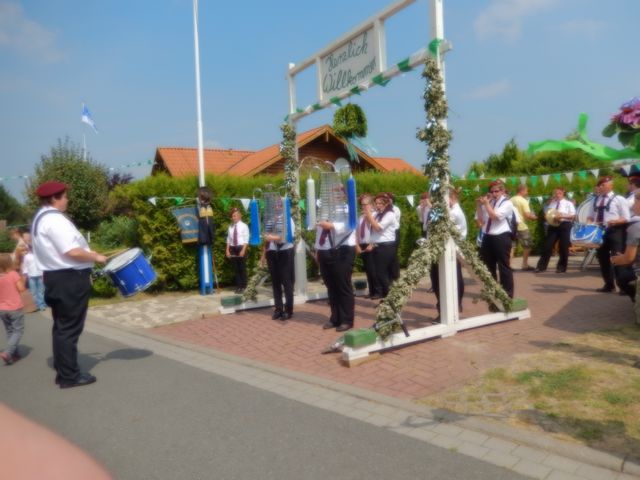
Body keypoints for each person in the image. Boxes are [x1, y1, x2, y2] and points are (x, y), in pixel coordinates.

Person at [31, 181, 107, 388]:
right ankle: (69, 377)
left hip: (56, 278)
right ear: (54, 198)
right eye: (65, 196)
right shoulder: (55, 220)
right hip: (69, 279)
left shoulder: (40, 217)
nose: (67, 200)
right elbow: (72, 251)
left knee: (61, 327)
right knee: (69, 330)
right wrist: (96, 257)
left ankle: (63, 369)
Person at [586, 176, 630, 293]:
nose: (600, 187)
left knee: (618, 258)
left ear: (611, 186)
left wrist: (615, 221)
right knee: (602, 258)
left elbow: (626, 217)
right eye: (599, 185)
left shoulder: (619, 199)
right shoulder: (595, 200)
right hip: (599, 232)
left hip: (615, 231)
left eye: (603, 185)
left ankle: (623, 287)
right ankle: (609, 285)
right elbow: (590, 216)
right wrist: (590, 223)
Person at [430, 188, 467, 317]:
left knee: (449, 280)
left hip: (451, 251)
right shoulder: (448, 211)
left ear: (450, 198)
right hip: (441, 249)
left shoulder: (454, 212)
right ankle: (446, 308)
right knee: (437, 279)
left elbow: (442, 229)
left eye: (441, 199)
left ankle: (450, 309)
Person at [316, 213, 356, 332]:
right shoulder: (323, 211)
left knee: (343, 285)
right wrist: (318, 249)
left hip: (342, 249)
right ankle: (335, 318)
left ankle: (347, 320)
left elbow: (351, 225)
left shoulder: (346, 208)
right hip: (324, 250)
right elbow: (319, 232)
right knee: (331, 286)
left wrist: (332, 226)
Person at [476, 180, 515, 298]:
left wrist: (486, 204)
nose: (494, 194)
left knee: (503, 266)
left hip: (501, 236)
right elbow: (481, 220)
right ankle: (492, 291)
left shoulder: (507, 203)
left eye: (496, 191)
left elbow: (494, 216)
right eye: (492, 191)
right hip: (488, 236)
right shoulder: (490, 202)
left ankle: (507, 294)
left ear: (502, 191)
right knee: (488, 265)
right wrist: (479, 205)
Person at [535, 187, 576, 273]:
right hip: (553, 225)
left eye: (559, 193)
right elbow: (548, 213)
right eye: (555, 193)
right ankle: (541, 267)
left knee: (563, 247)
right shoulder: (552, 203)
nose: (557, 195)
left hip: (564, 224)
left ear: (563, 193)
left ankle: (561, 267)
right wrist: (547, 216)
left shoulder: (568, 203)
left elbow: (573, 216)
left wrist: (562, 216)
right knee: (547, 246)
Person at [262, 216, 295, 321]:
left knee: (287, 282)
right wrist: (263, 254)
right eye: (274, 207)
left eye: (278, 207)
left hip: (285, 251)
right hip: (272, 251)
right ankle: (278, 309)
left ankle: (288, 310)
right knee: (275, 282)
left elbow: (288, 235)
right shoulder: (270, 219)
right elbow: (266, 237)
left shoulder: (288, 218)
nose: (276, 208)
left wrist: (272, 238)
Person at [367, 193, 397, 298]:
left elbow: (378, 228)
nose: (378, 205)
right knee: (378, 273)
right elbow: (371, 229)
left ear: (386, 204)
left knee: (382, 272)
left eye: (380, 203)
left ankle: (390, 297)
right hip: (377, 245)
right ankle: (386, 296)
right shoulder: (376, 214)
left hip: (386, 246)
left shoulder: (390, 214)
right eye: (376, 203)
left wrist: (368, 214)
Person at [0, 253, 26, 365]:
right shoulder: (13, 274)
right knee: (18, 330)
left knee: (10, 330)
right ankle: (8, 352)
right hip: (14, 307)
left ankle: (14, 353)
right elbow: (21, 289)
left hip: (2, 308)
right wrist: (22, 279)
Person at [355, 193, 380, 299]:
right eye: (362, 204)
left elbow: (377, 231)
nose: (363, 207)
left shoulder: (375, 215)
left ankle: (378, 291)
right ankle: (371, 291)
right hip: (363, 244)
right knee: (368, 269)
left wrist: (372, 243)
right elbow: (357, 231)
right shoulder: (361, 217)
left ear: (371, 204)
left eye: (365, 204)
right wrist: (357, 244)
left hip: (372, 244)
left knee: (374, 269)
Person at [510, 184, 537, 270]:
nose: (527, 192)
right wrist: (535, 217)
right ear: (522, 191)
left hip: (511, 226)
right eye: (526, 190)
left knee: (512, 246)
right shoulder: (523, 201)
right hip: (521, 226)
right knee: (527, 245)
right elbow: (527, 215)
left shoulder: (511, 199)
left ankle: (508, 265)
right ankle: (524, 264)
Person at [225, 208, 249, 294]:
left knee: (242, 268)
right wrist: (227, 250)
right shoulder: (230, 227)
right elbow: (229, 239)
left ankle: (244, 286)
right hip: (233, 248)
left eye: (235, 216)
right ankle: (239, 286)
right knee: (236, 269)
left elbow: (246, 239)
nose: (233, 217)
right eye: (232, 216)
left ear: (239, 216)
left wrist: (243, 250)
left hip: (241, 247)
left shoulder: (244, 226)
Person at [22, 244, 46, 311]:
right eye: (31, 248)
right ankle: (36, 305)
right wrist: (25, 275)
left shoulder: (39, 255)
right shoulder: (27, 256)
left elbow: (43, 265)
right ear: (29, 248)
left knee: (41, 291)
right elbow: (25, 266)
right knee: (33, 292)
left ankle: (41, 304)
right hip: (31, 276)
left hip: (40, 275)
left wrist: (43, 274)